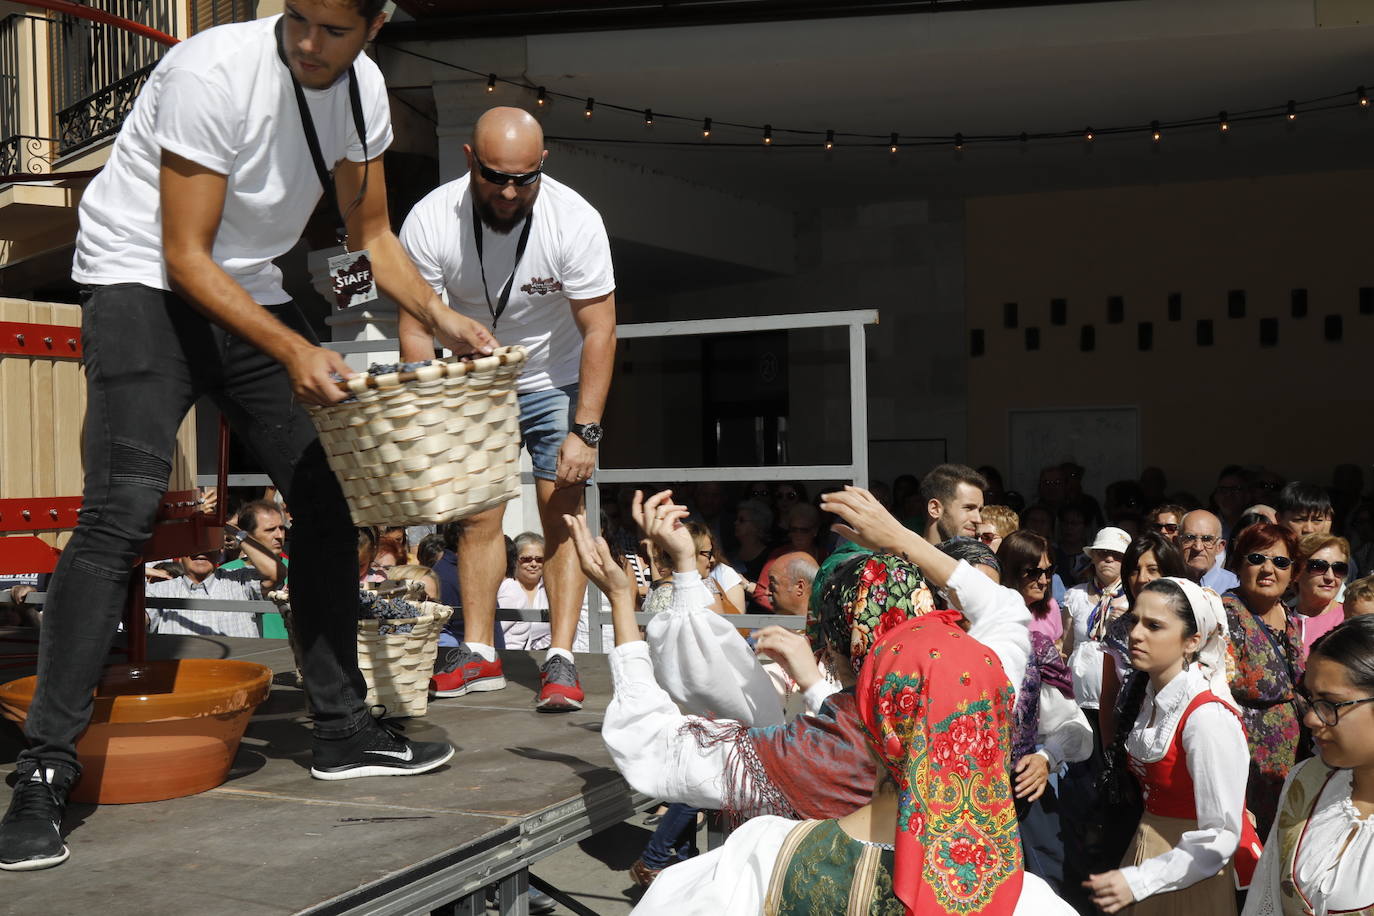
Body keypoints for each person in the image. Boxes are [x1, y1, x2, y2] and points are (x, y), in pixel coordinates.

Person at [1, 0, 481, 871]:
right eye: (298, 18)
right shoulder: (209, 72)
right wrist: (296, 346)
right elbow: (184, 255)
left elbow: (371, 233)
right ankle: (42, 769)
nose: (309, 42)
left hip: (248, 285)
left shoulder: (365, 90)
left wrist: (440, 314)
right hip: (140, 277)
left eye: (334, 30)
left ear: (376, 24)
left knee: (328, 495)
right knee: (123, 508)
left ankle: (340, 728)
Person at [588, 487, 1031, 841]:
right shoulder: (983, 691)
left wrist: (624, 600)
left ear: (836, 649)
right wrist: (903, 538)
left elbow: (651, 745)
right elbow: (1005, 611)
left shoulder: (822, 750)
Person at [632, 615, 1072, 915]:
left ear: (874, 720)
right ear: (993, 729)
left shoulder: (764, 857)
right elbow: (1005, 617)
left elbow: (652, 747)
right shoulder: (1025, 903)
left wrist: (624, 623)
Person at [401, 106, 617, 713]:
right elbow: (416, 327)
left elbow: (600, 330)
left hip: (556, 376)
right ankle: (478, 653)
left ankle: (562, 658)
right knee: (476, 518)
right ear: (470, 160)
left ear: (542, 165)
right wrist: (427, 412)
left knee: (562, 516)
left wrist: (586, 429)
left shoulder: (574, 221)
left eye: (525, 178)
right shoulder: (431, 218)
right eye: (496, 176)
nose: (510, 191)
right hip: (473, 381)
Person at [1085, 578, 1257, 915]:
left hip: (1191, 868)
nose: (1135, 634)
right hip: (1148, 847)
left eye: (1154, 626)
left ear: (1192, 641)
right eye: (1134, 621)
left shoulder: (1206, 717)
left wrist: (1142, 879)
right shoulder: (1149, 698)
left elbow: (1221, 833)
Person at [1242, 615, 1374, 916]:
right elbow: (1266, 900)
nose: (1311, 718)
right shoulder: (1307, 780)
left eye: (1330, 703)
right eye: (1311, 698)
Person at [1223, 522, 1304, 839]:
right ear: (1238, 564)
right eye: (1257, 558)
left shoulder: (1287, 613)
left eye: (1281, 562)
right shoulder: (1227, 613)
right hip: (1246, 765)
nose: (1268, 568)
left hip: (1289, 764)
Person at [147, 539, 283, 638]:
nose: (201, 550)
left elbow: (277, 572)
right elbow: (137, 623)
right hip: (184, 676)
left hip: (237, 674)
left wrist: (235, 532)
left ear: (220, 551)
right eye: (193, 544)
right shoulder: (158, 590)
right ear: (180, 553)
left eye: (209, 543)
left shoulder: (240, 581)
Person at [998, 530, 1063, 651]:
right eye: (1034, 572)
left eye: (1048, 571)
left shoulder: (1051, 607)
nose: (1043, 581)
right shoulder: (993, 612)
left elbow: (1058, 642)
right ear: (1011, 570)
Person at [1292, 533, 1350, 658]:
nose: (1330, 577)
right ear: (1296, 572)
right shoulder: (1280, 619)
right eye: (1318, 566)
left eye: (1339, 568)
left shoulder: (1350, 619)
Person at [493, 532, 550, 653]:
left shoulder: (552, 590)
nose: (533, 564)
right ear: (515, 559)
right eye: (526, 559)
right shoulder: (506, 587)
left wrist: (538, 647)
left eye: (539, 559)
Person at [914, 463, 986, 544]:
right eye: (968, 508)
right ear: (935, 509)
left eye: (979, 510)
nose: (978, 519)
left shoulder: (981, 555)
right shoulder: (905, 554)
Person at [1178, 509, 1239, 594]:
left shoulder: (1235, 586)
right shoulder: (1167, 583)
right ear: (1178, 543)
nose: (1198, 547)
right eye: (1190, 538)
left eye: (1207, 539)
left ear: (1220, 547)